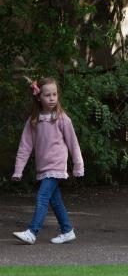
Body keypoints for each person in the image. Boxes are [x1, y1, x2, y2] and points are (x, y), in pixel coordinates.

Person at [12, 77, 84, 245]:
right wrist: (18, 169)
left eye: (54, 94)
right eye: (47, 95)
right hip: (43, 167)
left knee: (42, 197)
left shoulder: (62, 119)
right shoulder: (33, 121)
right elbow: (24, 147)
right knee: (55, 200)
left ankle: (32, 232)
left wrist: (78, 165)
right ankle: (67, 231)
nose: (52, 98)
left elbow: (73, 143)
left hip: (56, 166)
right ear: (39, 97)